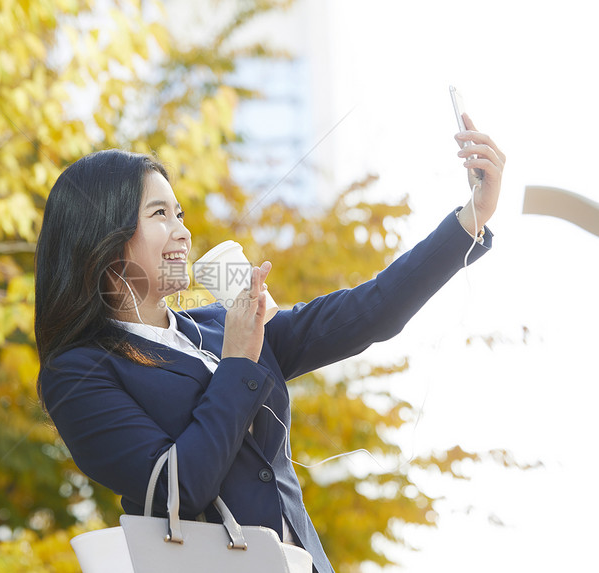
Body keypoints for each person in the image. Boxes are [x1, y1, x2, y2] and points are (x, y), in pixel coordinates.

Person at [35, 116, 505, 573]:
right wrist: (238, 361)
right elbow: (179, 489)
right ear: (102, 235)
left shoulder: (219, 325)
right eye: (159, 213)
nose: (184, 232)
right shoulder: (78, 371)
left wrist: (471, 219)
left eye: (180, 213)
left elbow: (366, 313)